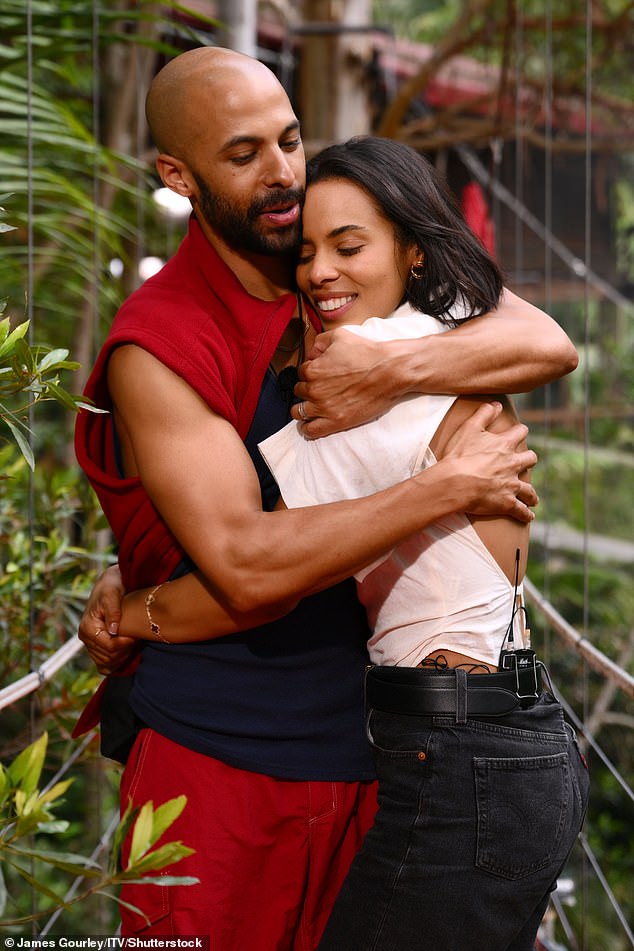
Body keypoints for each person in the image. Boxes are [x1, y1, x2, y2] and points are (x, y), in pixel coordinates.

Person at [74, 46, 578, 947]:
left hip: (389, 753)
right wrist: (138, 598)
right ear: (177, 174)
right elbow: (238, 561)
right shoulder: (162, 341)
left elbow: (546, 341)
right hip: (224, 758)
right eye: (243, 154)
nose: (282, 174)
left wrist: (386, 372)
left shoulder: (347, 291)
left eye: (290, 140)